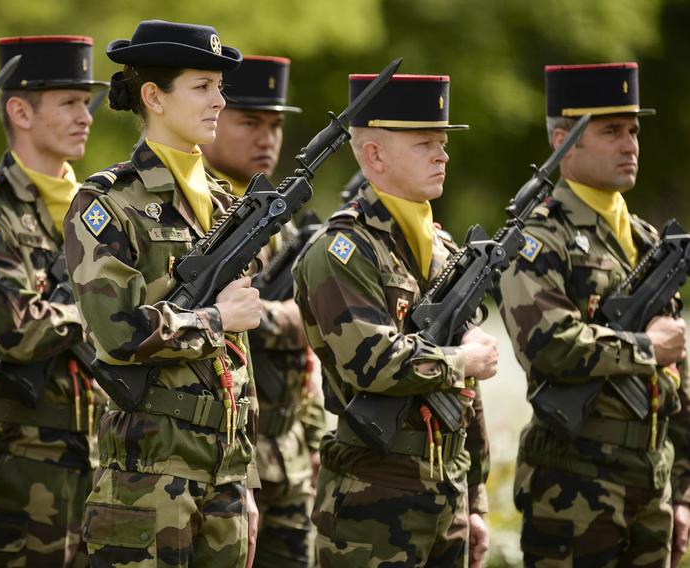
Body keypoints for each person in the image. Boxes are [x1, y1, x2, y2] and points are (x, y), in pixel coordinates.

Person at [64, 19, 264, 567]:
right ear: (153, 96)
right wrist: (217, 319)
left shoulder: (225, 205)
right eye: (201, 87)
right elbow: (116, 332)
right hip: (148, 478)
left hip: (226, 472)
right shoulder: (108, 203)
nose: (219, 101)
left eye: (219, 87)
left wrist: (244, 479)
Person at [292, 73, 495, 567]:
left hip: (448, 488)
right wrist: (462, 359)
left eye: (443, 142)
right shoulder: (343, 251)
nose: (442, 154)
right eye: (425, 142)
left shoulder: (446, 250)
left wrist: (476, 497)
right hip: (373, 495)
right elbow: (373, 362)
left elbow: (467, 397)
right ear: (376, 156)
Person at [498, 61, 690, 567]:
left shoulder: (648, 241)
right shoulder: (539, 239)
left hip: (652, 486)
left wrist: (684, 489)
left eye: (633, 131)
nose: (630, 144)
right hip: (574, 488)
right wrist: (646, 348)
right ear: (564, 141)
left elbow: (678, 373)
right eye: (611, 131)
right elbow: (548, 345)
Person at [0, 35, 108, 567]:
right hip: (18, 474)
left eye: (87, 102)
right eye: (70, 103)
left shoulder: (103, 212)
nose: (87, 117)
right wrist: (106, 313)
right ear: (20, 111)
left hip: (105, 468)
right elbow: (18, 331)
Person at [201, 54, 325, 567]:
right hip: (223, 460)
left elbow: (310, 367)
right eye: (250, 121)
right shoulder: (196, 218)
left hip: (289, 461)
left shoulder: (286, 230)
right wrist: (289, 321)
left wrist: (312, 440)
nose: (266, 137)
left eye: (275, 124)